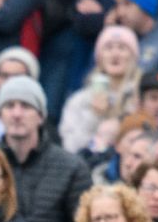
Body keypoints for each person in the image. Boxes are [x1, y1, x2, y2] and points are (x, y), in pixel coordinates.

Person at [0, 75, 92, 222]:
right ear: (0, 116)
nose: (16, 114)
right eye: (9, 106)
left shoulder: (71, 168)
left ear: (41, 115)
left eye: (25, 106)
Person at [58, 25, 142, 156]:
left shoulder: (142, 98)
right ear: (99, 57)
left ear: (133, 56)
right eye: (108, 48)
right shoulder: (80, 99)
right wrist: (94, 116)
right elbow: (70, 149)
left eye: (122, 48)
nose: (115, 54)